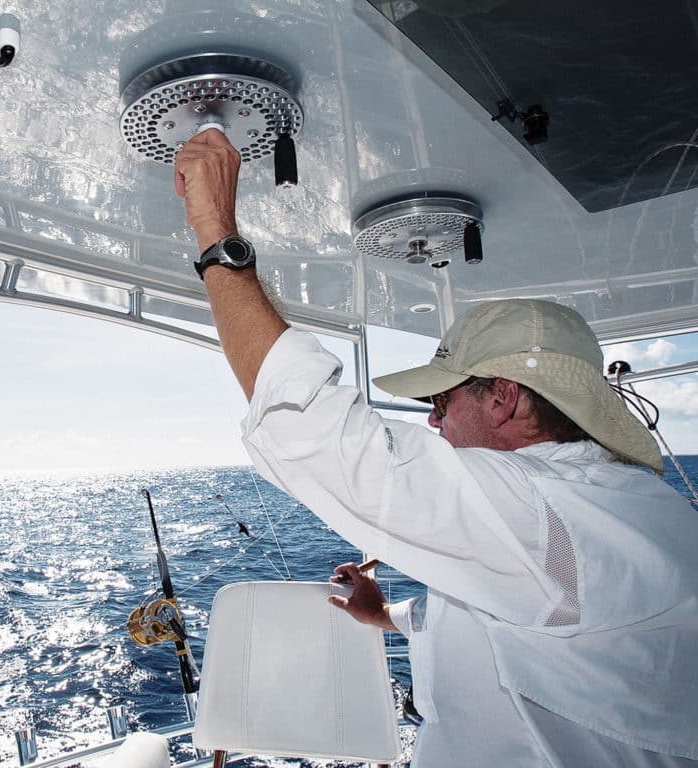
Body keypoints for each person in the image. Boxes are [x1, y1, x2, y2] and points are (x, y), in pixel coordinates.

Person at [174, 127, 698, 766]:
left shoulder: (539, 512)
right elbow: (509, 607)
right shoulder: (635, 508)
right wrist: (387, 615)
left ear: (503, 398)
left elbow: (311, 431)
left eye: (441, 401)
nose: (433, 423)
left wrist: (215, 236)